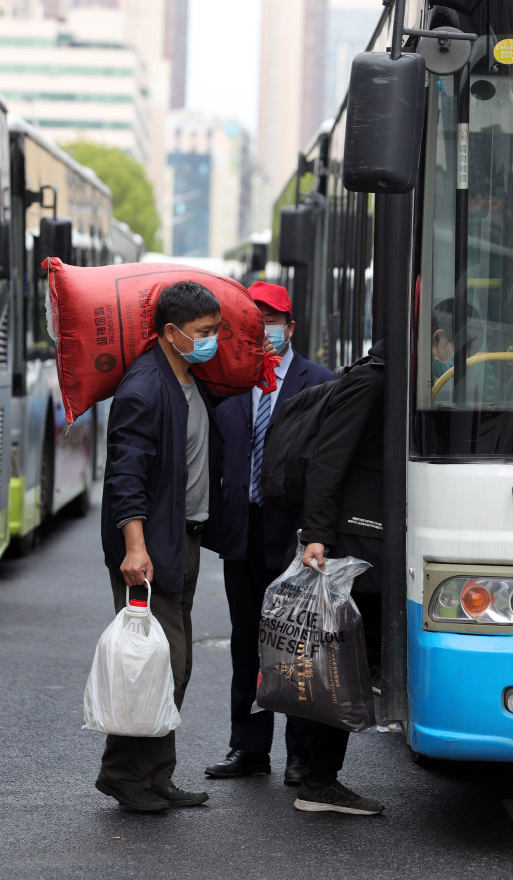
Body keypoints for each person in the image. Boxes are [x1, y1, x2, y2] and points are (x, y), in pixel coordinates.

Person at [96, 281, 224, 813]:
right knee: (158, 664)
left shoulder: (189, 379)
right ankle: (124, 776)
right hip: (150, 548)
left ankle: (155, 775)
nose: (212, 341)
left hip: (183, 537)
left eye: (217, 331)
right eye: (203, 333)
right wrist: (134, 548)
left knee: (170, 661)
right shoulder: (144, 389)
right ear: (171, 333)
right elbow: (126, 475)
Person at [205, 281, 333, 786]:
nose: (265, 331)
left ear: (290, 326)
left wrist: (319, 534)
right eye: (255, 322)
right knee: (246, 644)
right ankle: (249, 748)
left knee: (297, 646)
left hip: (295, 538)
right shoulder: (228, 380)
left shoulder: (319, 383)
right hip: (243, 531)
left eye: (272, 321)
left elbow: (327, 468)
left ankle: (300, 754)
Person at [293, 337, 386, 816]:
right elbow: (328, 462)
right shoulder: (373, 381)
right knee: (345, 664)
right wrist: (318, 536)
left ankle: (317, 775)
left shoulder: (383, 378)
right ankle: (319, 781)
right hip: (356, 543)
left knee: (348, 662)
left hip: (368, 540)